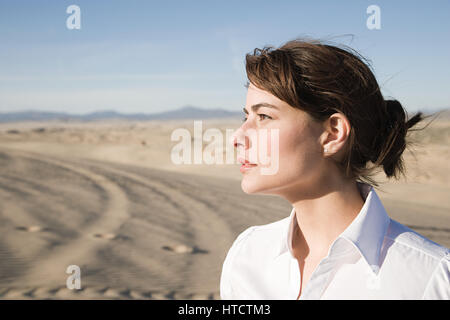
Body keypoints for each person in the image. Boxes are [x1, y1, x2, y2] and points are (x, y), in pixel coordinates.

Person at [220, 38, 449, 300]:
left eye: (264, 117)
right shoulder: (247, 256)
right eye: (245, 116)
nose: (237, 137)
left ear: (332, 134)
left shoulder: (430, 278)